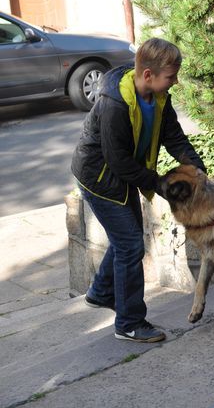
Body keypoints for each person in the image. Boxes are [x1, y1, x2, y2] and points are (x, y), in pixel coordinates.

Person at [71, 38, 205, 342]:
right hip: (100, 178)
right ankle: (130, 323)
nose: (175, 81)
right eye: (171, 76)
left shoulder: (159, 97)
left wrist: (196, 167)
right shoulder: (114, 103)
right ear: (148, 75)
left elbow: (174, 137)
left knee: (125, 239)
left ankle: (102, 292)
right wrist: (158, 183)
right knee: (130, 243)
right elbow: (117, 161)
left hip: (122, 175)